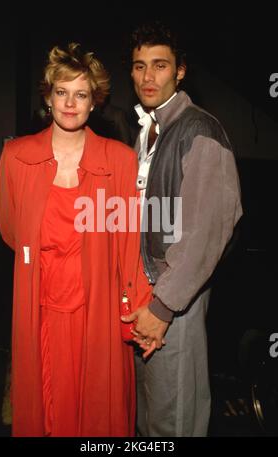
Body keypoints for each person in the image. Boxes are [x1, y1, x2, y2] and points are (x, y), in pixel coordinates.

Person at [0, 42, 151, 437]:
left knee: (97, 413)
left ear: (94, 101)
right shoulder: (15, 157)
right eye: (61, 92)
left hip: (96, 310)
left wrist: (142, 311)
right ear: (48, 96)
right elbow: (13, 232)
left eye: (80, 94)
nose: (70, 103)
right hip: (40, 306)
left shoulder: (119, 160)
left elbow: (128, 242)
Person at [121, 21, 243, 436]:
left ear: (181, 71)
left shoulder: (199, 130)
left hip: (176, 299)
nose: (147, 77)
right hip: (147, 291)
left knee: (176, 419)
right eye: (139, 66)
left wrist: (163, 307)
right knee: (149, 417)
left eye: (159, 65)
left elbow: (205, 235)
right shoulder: (150, 131)